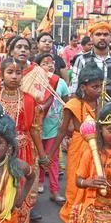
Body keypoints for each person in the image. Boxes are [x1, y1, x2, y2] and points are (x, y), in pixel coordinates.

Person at [46, 61, 102, 223]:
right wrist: (50, 154)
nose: (99, 90)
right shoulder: (73, 104)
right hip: (79, 148)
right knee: (74, 187)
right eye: (95, 87)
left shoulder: (101, 103)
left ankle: (89, 222)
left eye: (100, 86)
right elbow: (62, 131)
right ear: (83, 87)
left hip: (97, 150)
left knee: (94, 185)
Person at [0, 56, 47, 223]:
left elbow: (34, 130)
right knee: (0, 192)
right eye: (10, 72)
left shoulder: (29, 100)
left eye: (18, 73)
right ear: (1, 75)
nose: (14, 76)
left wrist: (42, 155)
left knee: (21, 192)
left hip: (24, 150)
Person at [35, 53, 68, 204]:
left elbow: (66, 103)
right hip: (36, 128)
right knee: (38, 158)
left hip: (54, 128)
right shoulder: (33, 83)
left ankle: (55, 191)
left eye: (52, 62)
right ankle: (39, 182)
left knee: (52, 159)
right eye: (45, 62)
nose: (49, 65)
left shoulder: (59, 82)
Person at [70, 22, 111, 102]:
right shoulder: (82, 60)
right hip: (87, 111)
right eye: (98, 34)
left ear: (110, 38)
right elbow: (74, 89)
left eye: (106, 35)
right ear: (91, 37)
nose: (102, 38)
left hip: (110, 111)